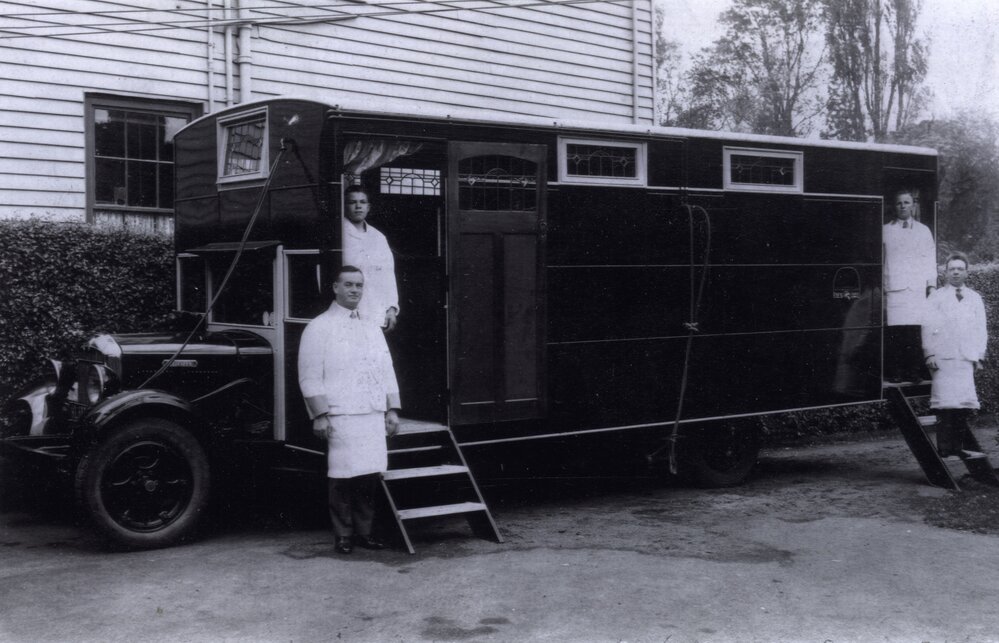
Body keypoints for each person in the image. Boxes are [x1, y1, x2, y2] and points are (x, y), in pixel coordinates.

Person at [298, 265, 402, 554]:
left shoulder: (371, 326)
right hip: (340, 412)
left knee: (369, 475)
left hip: (371, 411)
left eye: (359, 285)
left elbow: (386, 368)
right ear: (335, 287)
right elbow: (309, 375)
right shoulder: (319, 326)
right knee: (342, 477)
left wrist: (391, 409)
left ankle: (365, 533)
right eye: (348, 285)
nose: (354, 290)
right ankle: (343, 534)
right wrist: (319, 414)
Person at [922, 253, 987, 458]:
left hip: (965, 357)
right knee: (945, 403)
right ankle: (944, 449)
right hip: (943, 356)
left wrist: (978, 356)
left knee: (962, 404)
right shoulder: (937, 296)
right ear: (946, 272)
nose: (956, 272)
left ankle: (957, 448)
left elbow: (981, 328)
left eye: (960, 268)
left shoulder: (975, 297)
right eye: (952, 269)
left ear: (967, 272)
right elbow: (927, 326)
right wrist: (929, 353)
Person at [883, 188, 938, 382]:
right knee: (896, 332)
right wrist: (882, 285)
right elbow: (881, 261)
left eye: (906, 202)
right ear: (894, 206)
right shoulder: (885, 230)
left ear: (913, 205)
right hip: (894, 289)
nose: (903, 206)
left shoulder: (924, 231)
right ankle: (896, 372)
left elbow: (930, 259)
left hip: (916, 288)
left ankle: (914, 372)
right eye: (899, 203)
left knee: (915, 331)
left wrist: (931, 286)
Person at [342, 186, 399, 331]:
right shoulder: (338, 234)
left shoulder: (378, 237)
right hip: (346, 310)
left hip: (374, 310)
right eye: (352, 202)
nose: (358, 206)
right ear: (344, 206)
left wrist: (391, 308)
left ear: (368, 207)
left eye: (362, 202)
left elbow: (387, 275)